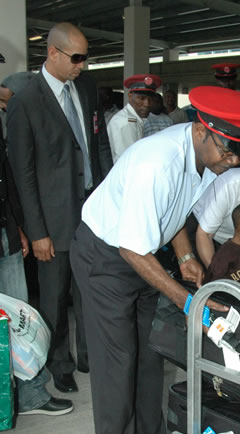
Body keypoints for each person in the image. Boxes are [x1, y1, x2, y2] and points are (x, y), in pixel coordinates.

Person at [70, 86, 240, 434]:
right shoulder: (155, 163)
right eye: (228, 151)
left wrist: (183, 255)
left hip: (143, 254)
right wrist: (188, 301)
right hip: (107, 256)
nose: (233, 162)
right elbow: (130, 249)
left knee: (147, 361)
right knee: (116, 366)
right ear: (202, 131)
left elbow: (174, 213)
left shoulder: (204, 158)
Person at [7, 22, 113, 395]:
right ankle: (59, 363)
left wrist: (108, 193)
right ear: (52, 52)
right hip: (51, 220)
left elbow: (97, 146)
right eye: (77, 58)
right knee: (54, 297)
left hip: (92, 213)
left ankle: (89, 355)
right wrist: (36, 231)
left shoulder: (85, 88)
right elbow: (23, 172)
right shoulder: (26, 100)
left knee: (92, 290)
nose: (82, 66)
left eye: (86, 58)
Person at [0, 70, 72, 417]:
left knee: (21, 317)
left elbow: (9, 178)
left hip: (6, 233)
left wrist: (20, 227)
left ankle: (31, 394)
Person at [107, 73, 162, 161]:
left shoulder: (133, 118)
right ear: (130, 96)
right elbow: (129, 159)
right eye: (142, 98)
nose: (147, 104)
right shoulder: (126, 122)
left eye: (150, 99)